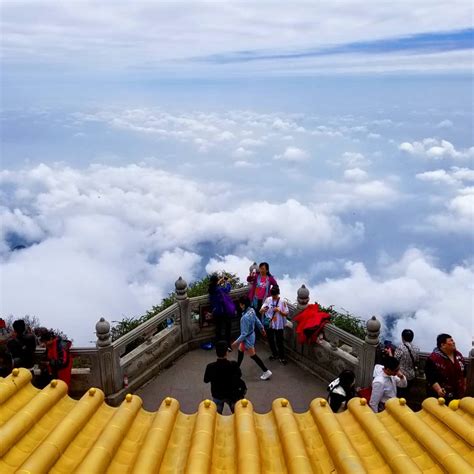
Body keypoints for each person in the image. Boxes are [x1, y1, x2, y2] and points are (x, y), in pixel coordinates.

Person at [231, 296, 272, 380]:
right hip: (251, 335)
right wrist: (262, 328)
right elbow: (257, 320)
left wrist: (235, 342)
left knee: (253, 355)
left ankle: (266, 371)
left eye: (240, 304)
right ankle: (236, 369)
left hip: (248, 339)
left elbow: (244, 334)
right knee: (240, 350)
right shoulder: (252, 310)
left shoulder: (244, 318)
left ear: (242, 305)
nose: (239, 305)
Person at [204, 340, 245, 414]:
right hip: (232, 394)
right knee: (237, 415)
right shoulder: (233, 365)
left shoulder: (210, 367)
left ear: (216, 353)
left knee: (216, 416)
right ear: (226, 352)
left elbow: (206, 380)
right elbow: (239, 375)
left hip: (217, 394)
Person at [425, 333, 466, 403]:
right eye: (450, 341)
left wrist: (464, 385)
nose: (453, 342)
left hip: (457, 393)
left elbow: (464, 372)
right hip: (440, 395)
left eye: (453, 340)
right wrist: (438, 390)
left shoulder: (458, 355)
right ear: (443, 345)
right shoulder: (433, 359)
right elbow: (431, 377)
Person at [260, 286, 289, 365]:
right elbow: (261, 310)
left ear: (278, 294)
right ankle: (275, 354)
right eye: (273, 295)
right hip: (270, 323)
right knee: (270, 340)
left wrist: (279, 311)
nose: (274, 297)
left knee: (279, 341)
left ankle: (282, 357)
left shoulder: (282, 302)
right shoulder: (268, 300)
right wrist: (263, 310)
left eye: (275, 295)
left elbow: (286, 313)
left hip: (279, 324)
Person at [208, 273, 234, 349]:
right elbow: (227, 289)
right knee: (227, 328)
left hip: (216, 311)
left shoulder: (211, 289)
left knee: (218, 329)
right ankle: (228, 345)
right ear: (217, 281)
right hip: (223, 311)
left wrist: (219, 282)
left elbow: (215, 287)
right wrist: (227, 282)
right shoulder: (219, 289)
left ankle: (218, 346)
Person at [394, 329, 419, 398]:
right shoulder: (416, 349)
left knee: (398, 394)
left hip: (401, 376)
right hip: (411, 376)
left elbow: (394, 361)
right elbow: (417, 360)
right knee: (405, 394)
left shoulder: (400, 348)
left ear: (402, 337)